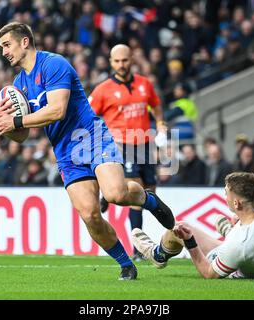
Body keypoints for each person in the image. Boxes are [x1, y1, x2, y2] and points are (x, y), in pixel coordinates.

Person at [0, 22, 175, 280]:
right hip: (65, 152)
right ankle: (126, 264)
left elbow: (57, 110)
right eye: (1, 47)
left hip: (91, 137)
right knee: (89, 214)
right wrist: (1, 124)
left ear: (25, 42)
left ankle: (148, 200)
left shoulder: (54, 64)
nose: (4, 52)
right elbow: (21, 136)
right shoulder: (19, 84)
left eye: (7, 45)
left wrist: (16, 121)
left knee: (116, 194)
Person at [132, 172, 254, 279]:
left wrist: (190, 241)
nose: (225, 197)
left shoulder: (239, 244)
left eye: (226, 193)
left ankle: (158, 255)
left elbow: (208, 273)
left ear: (237, 203)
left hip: (245, 263)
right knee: (228, 225)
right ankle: (232, 229)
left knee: (180, 228)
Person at [88, 44, 167, 261]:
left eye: (125, 60)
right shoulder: (103, 90)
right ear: (111, 62)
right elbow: (88, 116)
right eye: (117, 61)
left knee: (149, 193)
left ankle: (108, 192)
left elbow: (156, 106)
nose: (121, 65)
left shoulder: (145, 84)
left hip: (146, 144)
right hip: (121, 145)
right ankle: (138, 249)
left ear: (131, 59)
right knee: (137, 192)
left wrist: (160, 125)